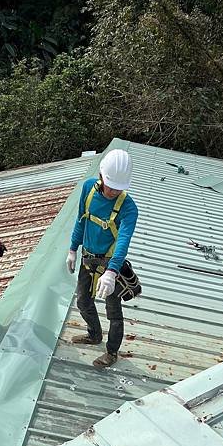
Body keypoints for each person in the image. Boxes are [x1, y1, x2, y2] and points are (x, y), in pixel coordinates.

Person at [66, 149, 138, 368]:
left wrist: (112, 272)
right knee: (83, 301)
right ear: (101, 176)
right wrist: (72, 249)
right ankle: (94, 334)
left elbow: (123, 241)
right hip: (88, 258)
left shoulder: (129, 208)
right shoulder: (88, 188)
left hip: (110, 263)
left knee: (113, 311)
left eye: (119, 188)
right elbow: (81, 220)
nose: (113, 191)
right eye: (110, 185)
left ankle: (112, 352)